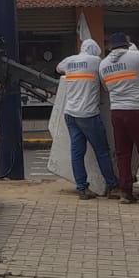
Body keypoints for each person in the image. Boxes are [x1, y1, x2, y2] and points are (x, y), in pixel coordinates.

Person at [101, 32, 139, 205]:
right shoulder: (135, 56)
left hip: (117, 112)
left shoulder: (103, 64)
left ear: (111, 47)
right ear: (126, 45)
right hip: (137, 110)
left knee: (122, 154)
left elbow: (106, 88)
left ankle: (126, 193)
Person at [57, 38, 121, 200]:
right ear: (94, 51)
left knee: (77, 153)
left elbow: (58, 68)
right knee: (102, 151)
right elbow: (106, 79)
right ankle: (112, 186)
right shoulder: (96, 62)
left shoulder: (70, 60)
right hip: (88, 115)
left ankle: (82, 188)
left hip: (70, 114)